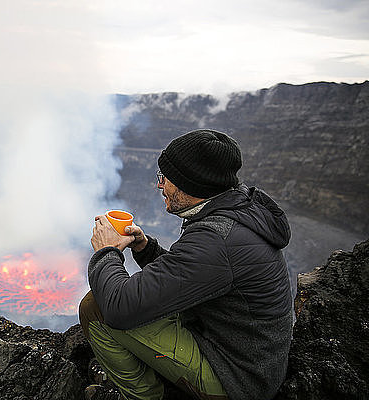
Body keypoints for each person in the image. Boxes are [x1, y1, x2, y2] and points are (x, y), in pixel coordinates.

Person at [79, 129, 293, 400]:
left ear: (189, 184)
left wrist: (107, 251)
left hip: (236, 380)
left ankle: (144, 396)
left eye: (165, 178)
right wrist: (145, 248)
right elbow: (189, 275)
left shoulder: (217, 240)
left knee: (95, 307)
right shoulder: (235, 210)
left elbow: (118, 308)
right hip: (239, 352)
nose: (160, 185)